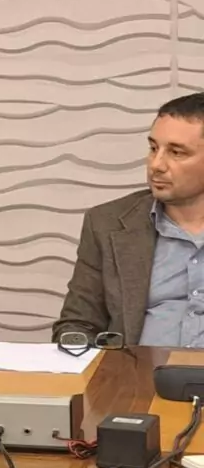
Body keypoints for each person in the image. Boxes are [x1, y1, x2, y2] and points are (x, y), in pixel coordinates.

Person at [54, 93, 204, 348]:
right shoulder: (106, 224)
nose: (157, 165)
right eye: (154, 148)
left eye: (176, 152)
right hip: (138, 371)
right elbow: (78, 324)